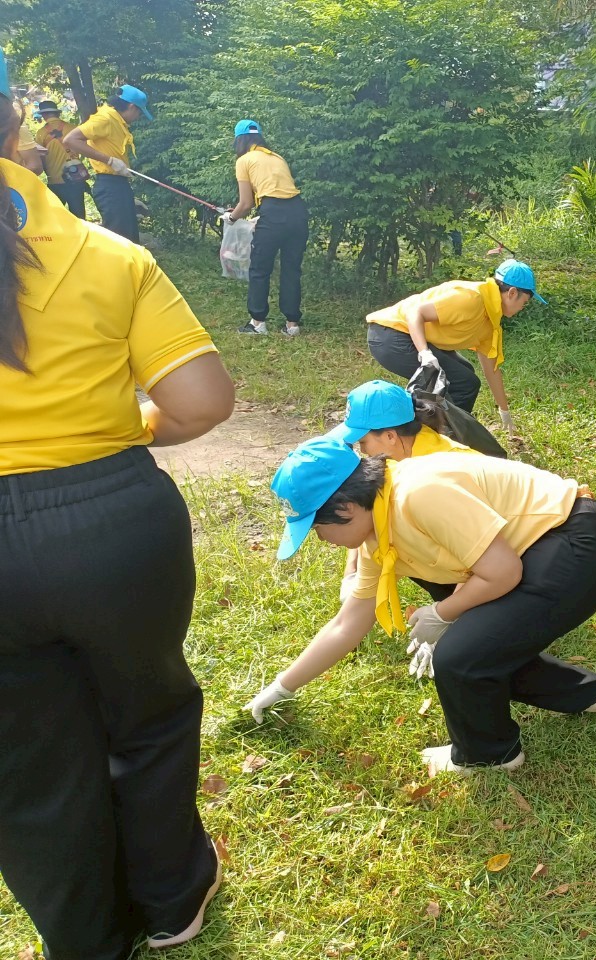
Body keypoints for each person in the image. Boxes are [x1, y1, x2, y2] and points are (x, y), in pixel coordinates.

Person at [0, 97, 236, 958]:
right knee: (149, 713)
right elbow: (201, 402)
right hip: (113, 525)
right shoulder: (108, 255)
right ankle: (173, 899)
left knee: (23, 756)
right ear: (17, 132)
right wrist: (114, 429)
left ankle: (86, 937)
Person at [245, 438, 596, 776]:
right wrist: (282, 687)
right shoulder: (378, 529)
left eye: (316, 527)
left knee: (461, 656)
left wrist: (443, 614)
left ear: (345, 506)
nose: (320, 538)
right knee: (478, 646)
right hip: (532, 551)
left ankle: (489, 755)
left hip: (575, 542)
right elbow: (348, 623)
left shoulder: (418, 493)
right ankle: (585, 694)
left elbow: (503, 572)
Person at [327, 378, 477, 601]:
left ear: (390, 436)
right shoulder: (396, 454)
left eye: (363, 442)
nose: (362, 451)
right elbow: (367, 514)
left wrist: (449, 612)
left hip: (501, 566)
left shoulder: (442, 470)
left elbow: (481, 551)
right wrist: (352, 573)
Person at [365, 259, 544, 434]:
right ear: (512, 292)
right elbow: (415, 312)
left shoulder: (491, 320)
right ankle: (438, 435)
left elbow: (492, 370)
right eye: (525, 301)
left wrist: (504, 412)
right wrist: (424, 353)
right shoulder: (472, 298)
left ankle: (442, 431)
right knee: (464, 383)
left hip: (405, 337)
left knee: (465, 373)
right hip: (389, 335)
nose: (523, 307)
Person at [224, 119, 309, 336]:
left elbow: (246, 203)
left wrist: (231, 218)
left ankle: (257, 323)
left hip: (272, 215)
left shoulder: (244, 160)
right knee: (291, 269)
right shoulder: (277, 157)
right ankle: (292, 325)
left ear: (239, 140)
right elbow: (278, 194)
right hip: (298, 213)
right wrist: (259, 216)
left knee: (260, 268)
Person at [64, 85, 153, 243]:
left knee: (130, 240)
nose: (138, 117)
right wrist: (109, 160)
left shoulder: (118, 122)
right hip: (109, 185)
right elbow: (70, 140)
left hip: (118, 185)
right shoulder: (105, 118)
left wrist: (127, 198)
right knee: (119, 241)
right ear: (132, 107)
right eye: (139, 113)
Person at [34, 100, 88, 218]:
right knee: (79, 217)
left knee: (55, 218)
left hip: (55, 181)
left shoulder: (41, 133)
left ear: (44, 114)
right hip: (75, 178)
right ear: (57, 113)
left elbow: (39, 157)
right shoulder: (73, 129)